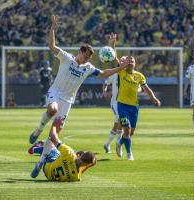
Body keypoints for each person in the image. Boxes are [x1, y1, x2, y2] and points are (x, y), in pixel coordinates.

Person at [29, 15, 126, 144]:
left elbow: (103, 73)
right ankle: (39, 129)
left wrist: (120, 68)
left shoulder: (88, 67)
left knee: (55, 133)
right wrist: (53, 27)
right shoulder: (66, 58)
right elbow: (52, 46)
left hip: (68, 100)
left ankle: (45, 151)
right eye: (85, 56)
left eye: (88, 58)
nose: (86, 60)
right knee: (52, 109)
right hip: (56, 92)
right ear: (80, 51)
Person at [109, 33, 161, 160]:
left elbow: (146, 88)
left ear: (135, 63)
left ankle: (119, 143)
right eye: (128, 60)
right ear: (125, 63)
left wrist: (153, 98)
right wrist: (113, 45)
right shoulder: (121, 71)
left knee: (130, 132)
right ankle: (129, 154)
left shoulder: (139, 76)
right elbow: (114, 58)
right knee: (126, 129)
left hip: (134, 107)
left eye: (132, 60)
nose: (130, 61)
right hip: (122, 105)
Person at [30, 118, 97, 181]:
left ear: (80, 155)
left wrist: (54, 125)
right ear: (86, 165)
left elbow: (52, 137)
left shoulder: (69, 153)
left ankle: (36, 148)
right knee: (59, 155)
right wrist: (91, 163)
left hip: (47, 166)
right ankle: (39, 147)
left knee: (53, 150)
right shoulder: (76, 177)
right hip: (50, 177)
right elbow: (83, 169)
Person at [102, 73, 123, 154]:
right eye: (121, 60)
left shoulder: (128, 74)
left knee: (117, 124)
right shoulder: (114, 75)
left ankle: (107, 144)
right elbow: (106, 83)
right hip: (115, 103)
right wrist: (104, 92)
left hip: (125, 103)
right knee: (121, 121)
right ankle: (119, 145)